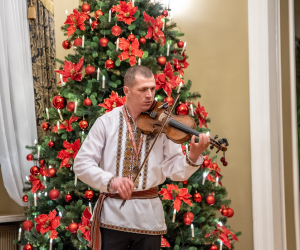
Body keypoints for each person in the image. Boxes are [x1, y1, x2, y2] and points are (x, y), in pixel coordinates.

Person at [73, 65, 210, 250]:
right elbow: (82, 163)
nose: (149, 95)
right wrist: (111, 181)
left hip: (149, 218)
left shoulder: (163, 123)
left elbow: (174, 170)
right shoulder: (106, 122)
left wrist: (193, 155)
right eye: (143, 89)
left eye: (152, 89)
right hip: (113, 217)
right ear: (127, 91)